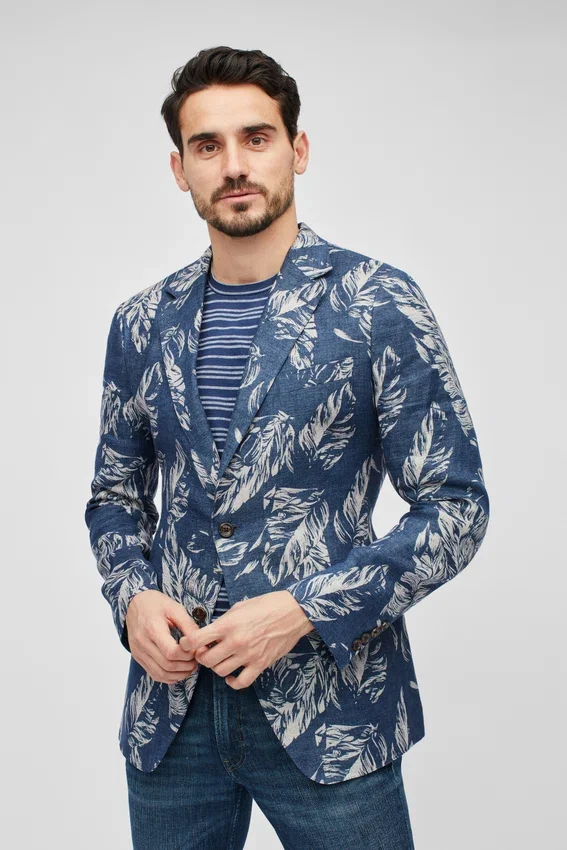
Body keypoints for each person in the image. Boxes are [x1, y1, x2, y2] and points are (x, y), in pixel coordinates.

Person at [85, 44, 490, 850]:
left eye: (256, 138)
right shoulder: (142, 322)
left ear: (296, 150)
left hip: (331, 712)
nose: (234, 164)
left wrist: (304, 609)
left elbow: (456, 507)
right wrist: (131, 596)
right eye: (207, 145)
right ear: (180, 169)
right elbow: (114, 496)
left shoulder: (376, 303)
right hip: (172, 718)